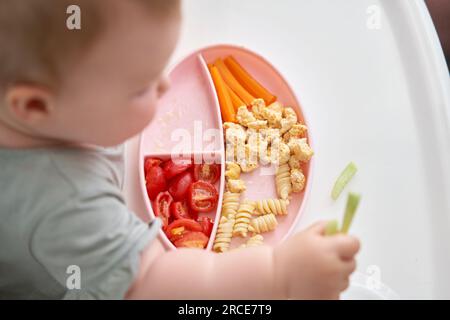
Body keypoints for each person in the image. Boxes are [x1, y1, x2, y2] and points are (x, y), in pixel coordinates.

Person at [0, 0, 359, 299]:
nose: (166, 85)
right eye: (140, 87)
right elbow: (152, 282)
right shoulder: (70, 203)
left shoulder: (48, 103)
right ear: (33, 106)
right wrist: (279, 276)